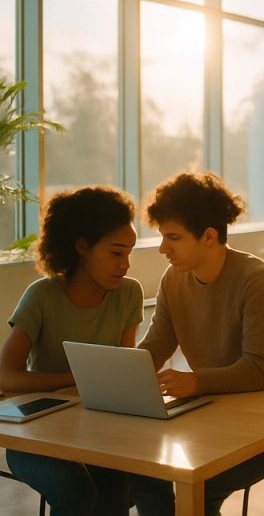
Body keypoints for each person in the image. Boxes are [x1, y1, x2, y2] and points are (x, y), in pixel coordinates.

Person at [131, 171, 264, 516]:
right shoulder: (173, 278)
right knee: (144, 470)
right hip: (215, 415)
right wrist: (114, 371)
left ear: (208, 236)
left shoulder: (258, 281)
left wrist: (194, 381)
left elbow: (258, 373)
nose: (164, 248)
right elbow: (155, 347)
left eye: (173, 238)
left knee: (200, 484)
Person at [0, 186, 142, 516]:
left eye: (129, 253)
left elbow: (124, 372)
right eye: (117, 253)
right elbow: (5, 375)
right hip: (35, 436)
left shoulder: (128, 294)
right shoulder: (42, 297)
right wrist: (75, 379)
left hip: (99, 430)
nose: (126, 264)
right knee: (77, 493)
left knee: (128, 486)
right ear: (82, 247)